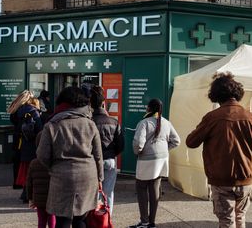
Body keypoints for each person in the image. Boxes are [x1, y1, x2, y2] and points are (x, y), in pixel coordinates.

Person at [185, 72, 252, 228]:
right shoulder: (250, 117)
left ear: (215, 94)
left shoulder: (212, 117)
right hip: (246, 177)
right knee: (240, 217)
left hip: (221, 178)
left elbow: (191, 142)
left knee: (227, 221)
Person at [36, 86, 104, 228]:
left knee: (62, 220)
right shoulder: (90, 124)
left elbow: (42, 155)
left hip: (62, 177)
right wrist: (100, 178)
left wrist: (53, 167)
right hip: (88, 176)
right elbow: (98, 156)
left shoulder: (52, 125)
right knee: (81, 219)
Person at [130, 98, 181, 228]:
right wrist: (164, 150)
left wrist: (138, 152)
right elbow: (177, 141)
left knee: (141, 188)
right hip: (162, 160)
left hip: (146, 160)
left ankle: (144, 221)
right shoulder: (166, 122)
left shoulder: (144, 123)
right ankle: (152, 222)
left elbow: (138, 144)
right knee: (154, 189)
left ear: (149, 109)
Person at [90, 85, 124, 215]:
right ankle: (107, 219)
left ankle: (94, 219)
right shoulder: (114, 122)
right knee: (108, 192)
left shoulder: (89, 121)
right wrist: (112, 154)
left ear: (91, 105)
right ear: (104, 103)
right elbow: (121, 144)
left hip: (93, 162)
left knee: (93, 192)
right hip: (110, 160)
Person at [15, 97, 43, 202]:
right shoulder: (35, 113)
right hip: (33, 146)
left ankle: (25, 193)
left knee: (26, 171)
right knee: (33, 172)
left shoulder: (21, 112)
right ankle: (27, 194)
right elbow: (40, 130)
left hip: (24, 145)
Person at [26, 132, 56, 228]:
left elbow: (29, 183)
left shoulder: (34, 163)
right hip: (53, 196)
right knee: (52, 218)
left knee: (41, 220)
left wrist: (30, 198)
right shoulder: (55, 162)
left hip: (38, 198)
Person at [8, 90, 35, 190]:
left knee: (17, 161)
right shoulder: (25, 110)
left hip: (16, 137)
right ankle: (21, 182)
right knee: (23, 162)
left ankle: (16, 182)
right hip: (23, 138)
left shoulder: (15, 107)